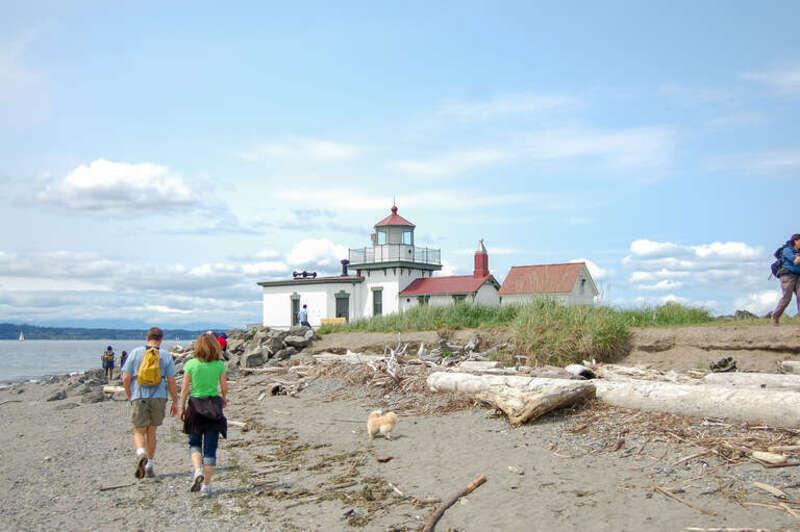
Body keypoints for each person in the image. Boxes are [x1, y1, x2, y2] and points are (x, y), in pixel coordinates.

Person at [121, 327, 178, 479]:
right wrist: (175, 401)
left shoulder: (135, 353)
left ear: (147, 338)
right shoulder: (165, 355)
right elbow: (171, 381)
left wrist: (129, 394)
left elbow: (126, 377)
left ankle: (140, 453)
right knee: (151, 432)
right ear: (161, 339)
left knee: (139, 431)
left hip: (139, 396)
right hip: (159, 397)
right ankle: (149, 465)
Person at [180, 333, 228, 497]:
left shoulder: (191, 364)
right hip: (213, 405)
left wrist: (181, 407)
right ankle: (206, 486)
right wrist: (224, 398)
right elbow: (224, 387)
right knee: (210, 447)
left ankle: (197, 470)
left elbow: (185, 388)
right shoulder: (219, 365)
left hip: (195, 405)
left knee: (194, 441)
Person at [773, 234, 800, 326]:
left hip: (798, 276)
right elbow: (795, 261)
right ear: (795, 241)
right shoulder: (787, 250)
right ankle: (775, 316)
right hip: (787, 276)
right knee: (787, 298)